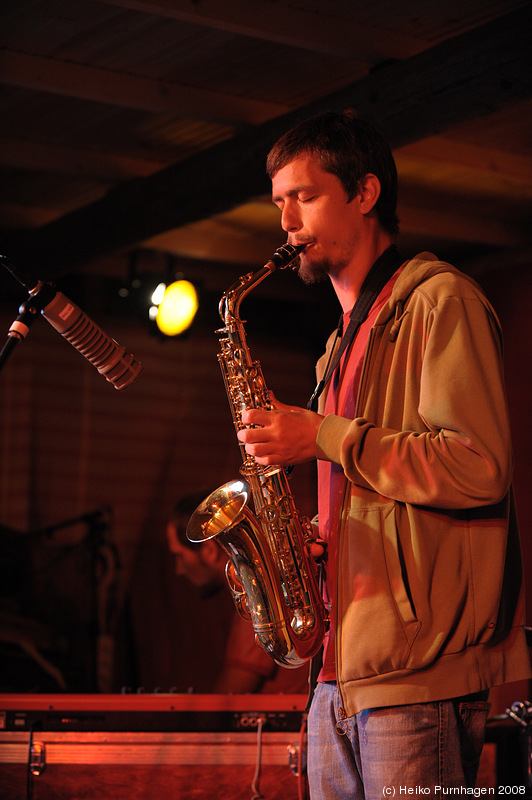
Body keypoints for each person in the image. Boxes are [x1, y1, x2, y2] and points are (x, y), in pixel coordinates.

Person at [235, 109, 531, 797]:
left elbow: (476, 465)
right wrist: (324, 541)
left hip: (415, 676)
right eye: (279, 204)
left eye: (303, 197)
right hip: (339, 674)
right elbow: (388, 491)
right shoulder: (337, 347)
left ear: (364, 194)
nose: (287, 223)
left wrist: (322, 435)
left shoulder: (440, 301)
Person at [166, 489, 309, 694]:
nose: (178, 570)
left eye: (180, 556)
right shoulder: (255, 591)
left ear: (209, 550)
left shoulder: (259, 596)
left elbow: (230, 697)